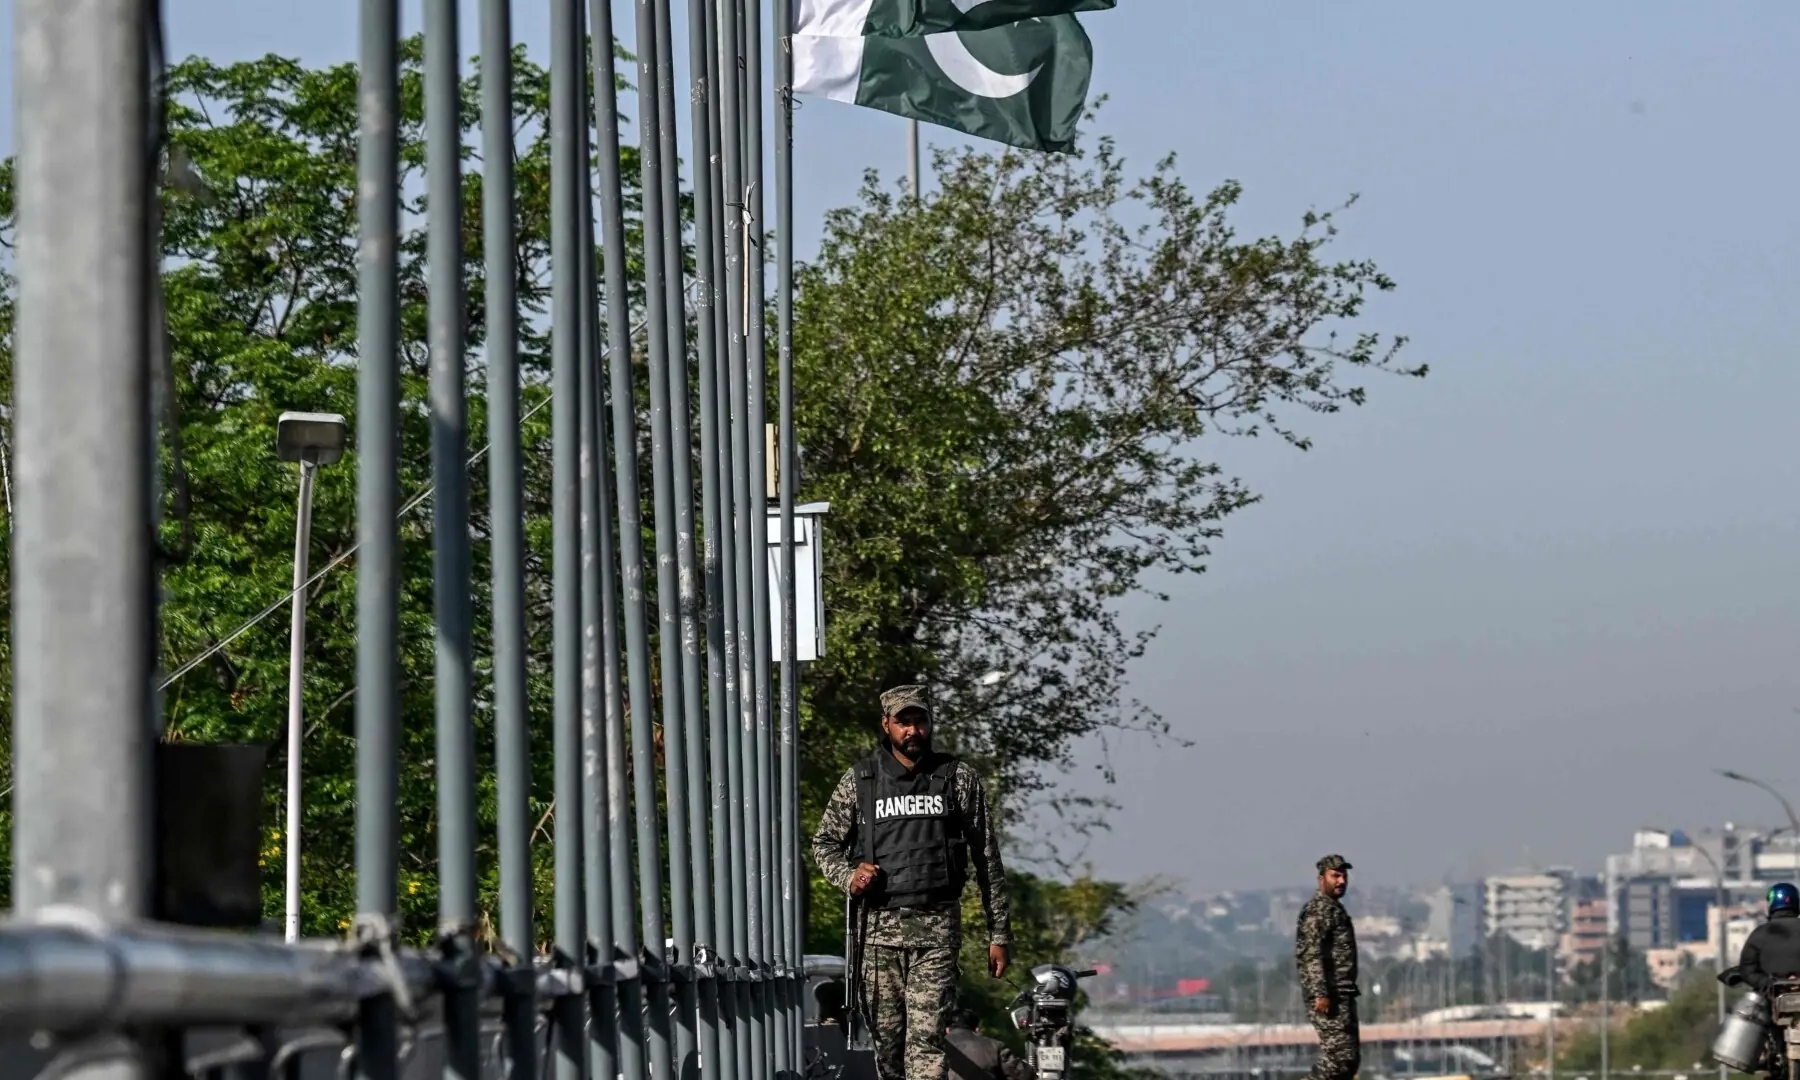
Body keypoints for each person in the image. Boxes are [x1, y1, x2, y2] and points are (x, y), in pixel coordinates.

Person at [812, 684, 1013, 1080]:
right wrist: (849, 877)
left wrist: (999, 933)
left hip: (936, 932)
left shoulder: (958, 780)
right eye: (904, 722)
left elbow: (987, 856)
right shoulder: (861, 781)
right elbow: (824, 843)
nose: (913, 730)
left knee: (926, 1048)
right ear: (886, 724)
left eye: (920, 720)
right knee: (888, 1051)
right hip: (876, 936)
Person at [1295, 854, 1360, 1080]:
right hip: (1328, 996)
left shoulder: (1334, 909)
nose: (1341, 881)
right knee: (1339, 1060)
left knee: (1349, 1061)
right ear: (1321, 879)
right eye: (1335, 876)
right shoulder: (1318, 910)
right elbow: (1311, 954)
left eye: (1344, 876)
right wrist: (1320, 992)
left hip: (1344, 993)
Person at [1739, 882, 1800, 994]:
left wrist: (1768, 984)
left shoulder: (1759, 934)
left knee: (1745, 1009)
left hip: (1771, 999)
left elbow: (1747, 970)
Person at [943, 1008, 1034, 1080]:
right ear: (976, 1029)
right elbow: (1023, 1075)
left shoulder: (935, 1047)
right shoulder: (995, 1046)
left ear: (947, 1030)